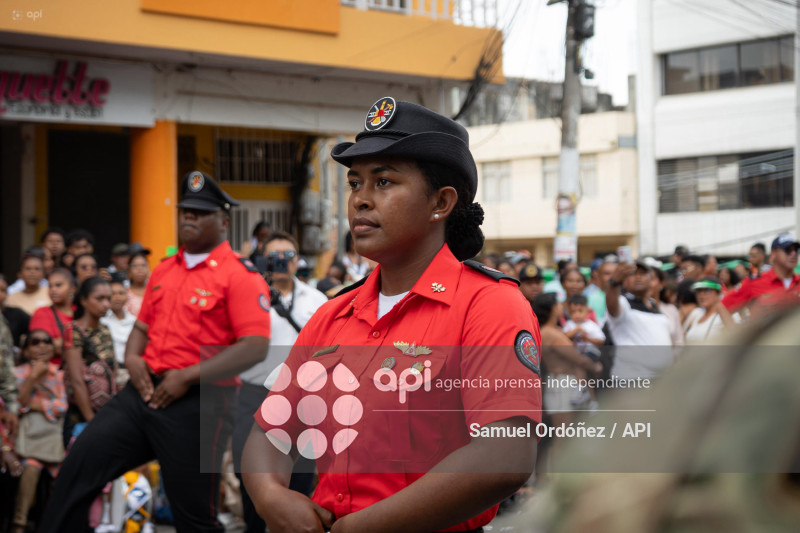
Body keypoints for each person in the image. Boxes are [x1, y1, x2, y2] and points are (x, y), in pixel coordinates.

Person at [242, 98, 540, 533]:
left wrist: (361, 527)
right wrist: (272, 497)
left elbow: (505, 455)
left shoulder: (487, 304)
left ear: (440, 202)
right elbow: (269, 432)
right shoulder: (332, 315)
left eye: (383, 182)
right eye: (355, 183)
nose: (360, 200)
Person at [40, 171, 271, 533]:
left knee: (194, 516)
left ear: (224, 221)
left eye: (200, 212)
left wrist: (187, 376)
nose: (189, 217)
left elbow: (255, 347)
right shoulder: (164, 270)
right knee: (77, 469)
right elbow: (141, 330)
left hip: (199, 402)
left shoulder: (241, 275)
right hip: (143, 392)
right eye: (185, 211)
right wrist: (132, 360)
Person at [233, 231, 328, 533]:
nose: (282, 262)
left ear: (297, 260)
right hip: (253, 395)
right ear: (262, 259)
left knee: (298, 478)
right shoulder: (249, 297)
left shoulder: (317, 300)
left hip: (301, 401)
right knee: (250, 474)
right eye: (274, 256)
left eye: (288, 256)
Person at [12, 329, 67, 533]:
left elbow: (62, 407)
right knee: (30, 469)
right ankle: (19, 524)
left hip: (52, 442)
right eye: (35, 342)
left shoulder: (59, 374)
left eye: (46, 341)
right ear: (26, 350)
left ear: (53, 348)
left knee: (63, 476)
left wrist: (32, 405)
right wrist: (32, 378)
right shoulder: (18, 373)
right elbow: (16, 406)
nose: (42, 345)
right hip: (27, 441)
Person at [534, 293, 601, 428]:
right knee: (564, 438)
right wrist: (596, 367)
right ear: (553, 309)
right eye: (558, 304)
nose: (562, 306)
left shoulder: (557, 330)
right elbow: (578, 359)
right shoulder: (550, 333)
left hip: (569, 384)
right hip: (561, 386)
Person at [62, 276, 116, 438]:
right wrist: (92, 421)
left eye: (108, 299)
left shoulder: (105, 329)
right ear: (84, 301)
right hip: (82, 416)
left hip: (106, 412)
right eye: (99, 299)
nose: (106, 304)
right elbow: (76, 380)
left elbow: (113, 372)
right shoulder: (73, 330)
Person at [603, 260, 673, 379]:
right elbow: (612, 307)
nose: (638, 277)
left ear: (651, 279)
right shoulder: (623, 303)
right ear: (625, 281)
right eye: (633, 274)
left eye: (643, 273)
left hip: (658, 381)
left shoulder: (654, 305)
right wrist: (614, 283)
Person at [722, 233, 800, 314]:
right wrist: (735, 326)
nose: (793, 254)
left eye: (796, 250)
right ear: (773, 254)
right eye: (788, 250)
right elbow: (723, 306)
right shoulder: (754, 282)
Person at [28, 268, 77, 364]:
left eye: (58, 285)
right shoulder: (42, 313)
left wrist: (61, 342)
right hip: (53, 372)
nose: (53, 290)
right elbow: (43, 347)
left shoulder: (80, 312)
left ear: (72, 288)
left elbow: (58, 346)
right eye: (50, 286)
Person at [684, 277, 735, 343]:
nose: (702, 295)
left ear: (718, 293)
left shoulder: (725, 316)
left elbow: (736, 336)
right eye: (699, 291)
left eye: (707, 290)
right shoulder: (696, 314)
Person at [100, 277, 136, 367]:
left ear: (127, 296)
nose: (117, 297)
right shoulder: (102, 321)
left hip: (132, 368)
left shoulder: (133, 320)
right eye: (113, 294)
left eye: (121, 293)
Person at [651, 267, 684, 347]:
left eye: (652, 279)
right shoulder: (634, 310)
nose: (648, 282)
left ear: (662, 283)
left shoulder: (671, 310)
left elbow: (679, 341)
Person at [0, 274, 30, 350]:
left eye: (2, 290)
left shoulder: (16, 314)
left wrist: (24, 350)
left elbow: (34, 329)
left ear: (7, 294)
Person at [585, 255, 617, 323]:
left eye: (615, 273)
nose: (611, 277)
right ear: (598, 276)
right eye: (607, 273)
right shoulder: (590, 299)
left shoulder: (626, 297)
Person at [125, 251, 151, 317]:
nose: (140, 269)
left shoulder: (155, 289)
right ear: (129, 270)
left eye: (143, 265)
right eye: (135, 266)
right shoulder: (124, 292)